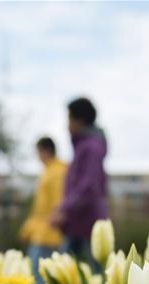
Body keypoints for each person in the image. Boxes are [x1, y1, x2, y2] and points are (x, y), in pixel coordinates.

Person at [51, 97, 108, 262]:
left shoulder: (91, 147)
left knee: (97, 271)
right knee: (65, 268)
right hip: (78, 221)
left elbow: (88, 186)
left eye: (69, 119)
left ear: (80, 120)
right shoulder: (84, 146)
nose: (67, 125)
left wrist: (65, 209)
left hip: (87, 222)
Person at [19, 137, 68, 284]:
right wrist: (27, 230)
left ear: (45, 151)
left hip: (48, 234)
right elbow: (40, 208)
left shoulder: (56, 172)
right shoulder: (49, 171)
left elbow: (58, 206)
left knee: (39, 276)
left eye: (38, 152)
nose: (37, 157)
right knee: (39, 275)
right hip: (42, 232)